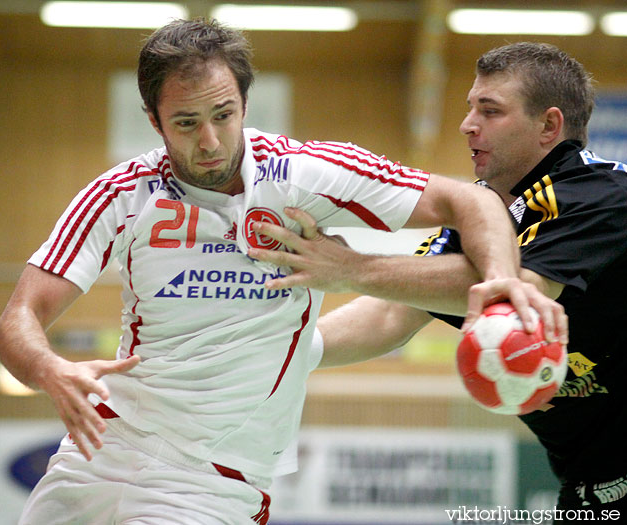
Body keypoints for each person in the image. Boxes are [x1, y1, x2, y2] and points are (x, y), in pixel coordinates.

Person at [0, 19, 557, 523]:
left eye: (223, 115)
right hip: (99, 448)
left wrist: (501, 276)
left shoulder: (306, 175)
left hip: (210, 480)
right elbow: (17, 319)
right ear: (154, 121)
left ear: (244, 102)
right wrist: (48, 369)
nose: (210, 142)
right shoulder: (122, 195)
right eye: (186, 123)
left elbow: (471, 201)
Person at [249, 42, 627, 518]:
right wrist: (272, 356)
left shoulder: (605, 195)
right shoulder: (483, 217)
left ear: (549, 126)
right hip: (591, 481)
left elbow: (519, 288)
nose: (468, 124)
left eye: (490, 111)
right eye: (471, 108)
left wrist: (352, 268)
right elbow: (391, 311)